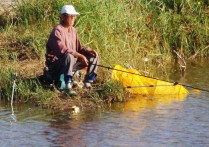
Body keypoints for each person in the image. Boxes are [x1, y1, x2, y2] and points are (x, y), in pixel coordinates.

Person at [45, 5, 99, 92]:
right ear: (63, 17)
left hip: (70, 65)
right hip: (56, 66)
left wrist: (88, 51)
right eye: (71, 16)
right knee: (69, 56)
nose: (74, 18)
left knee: (93, 56)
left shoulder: (73, 30)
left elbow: (79, 48)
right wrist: (80, 56)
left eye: (74, 16)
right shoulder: (57, 30)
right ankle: (67, 85)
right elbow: (62, 51)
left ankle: (88, 82)